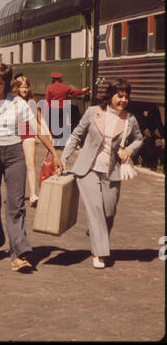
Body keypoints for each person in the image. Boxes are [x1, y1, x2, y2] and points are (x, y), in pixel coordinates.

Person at [0, 63, 63, 272]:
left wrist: (54, 153)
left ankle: (19, 252)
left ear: (7, 83)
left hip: (14, 154)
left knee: (16, 203)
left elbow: (37, 129)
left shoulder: (18, 102)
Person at [61, 78, 143, 269]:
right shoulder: (93, 112)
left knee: (109, 211)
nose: (123, 100)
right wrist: (63, 158)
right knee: (96, 209)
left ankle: (96, 233)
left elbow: (138, 139)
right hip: (87, 169)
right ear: (110, 95)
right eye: (119, 96)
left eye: (126, 97)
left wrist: (129, 150)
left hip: (112, 171)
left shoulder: (130, 119)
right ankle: (100, 253)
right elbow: (76, 135)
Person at [12, 75, 52, 207]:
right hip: (15, 134)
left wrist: (48, 133)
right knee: (16, 166)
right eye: (21, 87)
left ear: (29, 88)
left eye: (26, 87)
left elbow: (40, 119)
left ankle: (33, 194)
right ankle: (17, 193)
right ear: (17, 88)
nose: (24, 90)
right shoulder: (12, 101)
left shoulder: (32, 102)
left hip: (28, 133)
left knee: (31, 163)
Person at [45, 72, 89, 146]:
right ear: (60, 79)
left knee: (54, 125)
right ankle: (62, 143)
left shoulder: (50, 88)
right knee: (62, 125)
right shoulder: (65, 87)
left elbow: (47, 100)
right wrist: (84, 90)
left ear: (53, 79)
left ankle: (56, 143)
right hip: (63, 108)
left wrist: (46, 111)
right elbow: (75, 92)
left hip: (53, 108)